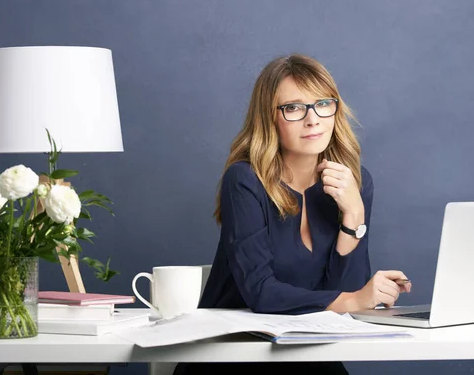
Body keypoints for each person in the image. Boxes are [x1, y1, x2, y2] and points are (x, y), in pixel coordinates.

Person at [173, 53, 411, 375]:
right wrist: (355, 299)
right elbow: (262, 292)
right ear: (269, 118)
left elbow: (344, 293)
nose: (312, 119)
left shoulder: (354, 180)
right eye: (294, 108)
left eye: (322, 104)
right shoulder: (245, 180)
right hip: (234, 354)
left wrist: (354, 214)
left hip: (307, 350)